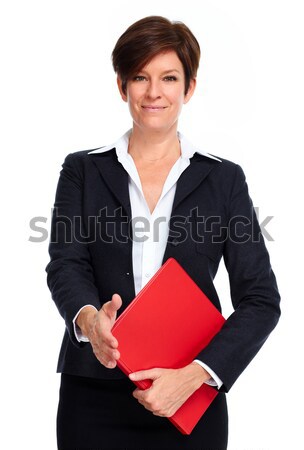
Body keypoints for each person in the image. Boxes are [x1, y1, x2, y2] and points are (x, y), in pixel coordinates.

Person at [46, 15, 281, 450]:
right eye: (140, 77)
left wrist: (196, 375)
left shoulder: (224, 179)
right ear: (122, 86)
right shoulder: (82, 170)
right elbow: (66, 264)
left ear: (188, 88)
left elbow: (261, 300)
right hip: (93, 396)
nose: (154, 92)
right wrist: (89, 321)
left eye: (169, 78)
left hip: (190, 396)